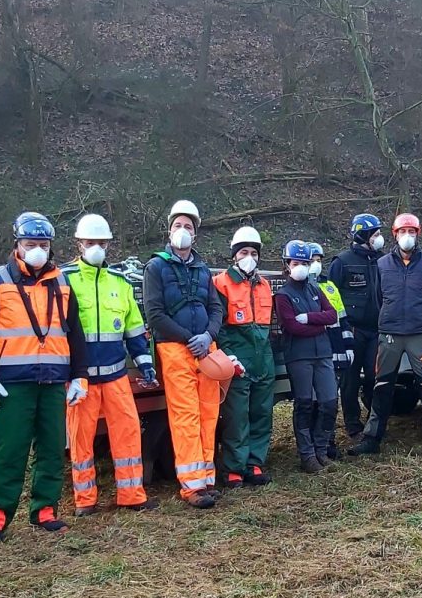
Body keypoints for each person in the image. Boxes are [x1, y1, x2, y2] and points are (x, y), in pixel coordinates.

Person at [0, 212, 89, 540]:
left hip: (53, 379)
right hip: (12, 382)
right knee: (10, 449)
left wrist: (80, 375)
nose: (37, 249)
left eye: (43, 244)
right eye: (30, 244)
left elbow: (74, 331)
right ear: (18, 245)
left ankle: (45, 508)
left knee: (52, 447)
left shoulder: (62, 283)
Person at [62, 214, 158, 516]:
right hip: (81, 378)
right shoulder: (63, 280)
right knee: (80, 440)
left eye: (102, 243)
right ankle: (85, 500)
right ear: (79, 243)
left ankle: (131, 495)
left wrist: (145, 364)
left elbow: (133, 329)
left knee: (128, 434)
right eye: (91, 242)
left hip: (115, 373)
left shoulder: (120, 283)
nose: (97, 248)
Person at [347, 213, 422, 458]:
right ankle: (372, 438)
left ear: (418, 234)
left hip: (420, 334)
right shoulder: (382, 264)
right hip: (390, 333)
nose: (408, 236)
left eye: (412, 232)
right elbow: (377, 298)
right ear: (395, 235)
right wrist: (387, 321)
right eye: (403, 232)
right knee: (382, 385)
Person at [142, 200, 227, 504]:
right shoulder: (156, 267)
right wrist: (189, 338)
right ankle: (192, 486)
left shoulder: (203, 269)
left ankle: (206, 479)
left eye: (188, 227)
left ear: (196, 234)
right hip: (175, 350)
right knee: (185, 416)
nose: (182, 231)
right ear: (169, 230)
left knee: (209, 413)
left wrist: (208, 336)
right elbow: (155, 314)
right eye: (178, 225)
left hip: (206, 349)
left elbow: (216, 308)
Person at [212, 226, 277, 488]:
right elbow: (219, 326)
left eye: (253, 252)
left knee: (262, 413)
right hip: (237, 359)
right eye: (243, 252)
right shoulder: (220, 283)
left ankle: (255, 463)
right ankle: (233, 468)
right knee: (236, 417)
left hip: (263, 358)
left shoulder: (264, 285)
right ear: (234, 256)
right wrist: (229, 357)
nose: (248, 256)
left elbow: (268, 326)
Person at [274, 240, 339, 472]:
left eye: (305, 262)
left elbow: (332, 315)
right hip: (299, 356)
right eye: (296, 262)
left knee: (330, 401)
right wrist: (320, 322)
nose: (301, 266)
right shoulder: (282, 295)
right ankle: (307, 455)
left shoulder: (315, 289)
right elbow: (292, 327)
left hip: (322, 353)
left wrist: (311, 319)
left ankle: (321, 449)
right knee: (304, 404)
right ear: (287, 265)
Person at [328, 214, 384, 438]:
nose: (380, 238)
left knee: (374, 376)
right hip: (352, 330)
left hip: (376, 329)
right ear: (363, 235)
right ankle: (352, 422)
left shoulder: (383, 261)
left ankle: (374, 419)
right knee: (349, 379)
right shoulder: (342, 261)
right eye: (376, 234)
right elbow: (331, 295)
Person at [309, 242, 354, 459]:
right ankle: (313, 444)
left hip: (335, 351)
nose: (316, 264)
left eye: (319, 259)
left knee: (330, 401)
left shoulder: (329, 286)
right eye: (312, 260)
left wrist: (348, 346)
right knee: (313, 402)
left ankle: (329, 443)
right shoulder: (302, 289)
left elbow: (342, 318)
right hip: (314, 353)